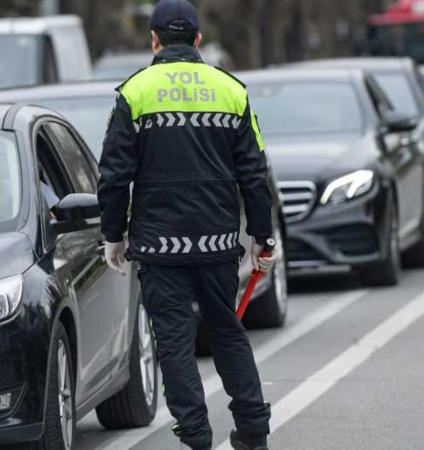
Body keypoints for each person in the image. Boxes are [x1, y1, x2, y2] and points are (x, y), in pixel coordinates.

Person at [97, 1, 278, 449]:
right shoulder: (230, 89)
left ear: (153, 40)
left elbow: (114, 174)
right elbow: (254, 172)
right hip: (218, 243)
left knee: (174, 343)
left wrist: (112, 235)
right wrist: (262, 237)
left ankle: (196, 436)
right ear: (198, 40)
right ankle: (253, 428)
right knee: (226, 331)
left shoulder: (134, 92)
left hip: (159, 247)